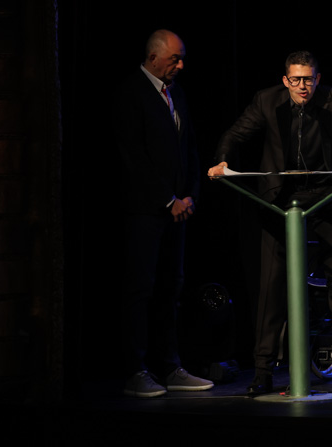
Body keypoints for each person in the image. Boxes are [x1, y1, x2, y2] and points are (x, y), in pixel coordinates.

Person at [208, 50, 332, 395]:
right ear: (285, 80)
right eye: (296, 80)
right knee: (271, 285)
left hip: (326, 196)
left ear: (318, 79)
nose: (303, 86)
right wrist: (222, 160)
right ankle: (263, 370)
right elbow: (236, 134)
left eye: (309, 79)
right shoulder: (266, 101)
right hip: (281, 199)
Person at [116, 29, 214, 397]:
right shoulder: (131, 92)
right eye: (175, 59)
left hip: (178, 212)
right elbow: (132, 156)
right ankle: (135, 370)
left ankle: (171, 367)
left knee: (172, 289)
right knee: (140, 289)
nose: (181, 65)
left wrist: (189, 195)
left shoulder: (177, 93)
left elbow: (189, 148)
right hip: (145, 211)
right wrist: (167, 199)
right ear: (154, 58)